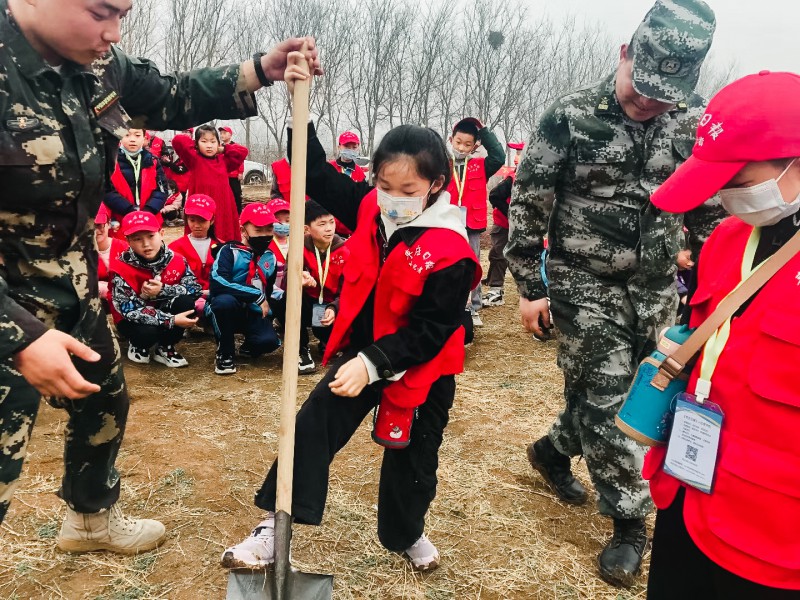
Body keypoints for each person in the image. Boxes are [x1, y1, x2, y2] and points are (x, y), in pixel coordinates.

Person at [0, 0, 320, 552]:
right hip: (10, 305)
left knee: (103, 404)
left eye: (122, 14)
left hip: (72, 289)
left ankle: (90, 522)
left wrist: (258, 70)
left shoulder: (99, 62)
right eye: (100, 12)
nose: (113, 31)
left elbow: (170, 94)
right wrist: (21, 337)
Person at [220, 55, 480, 573]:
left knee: (415, 457)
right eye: (385, 186)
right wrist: (299, 110)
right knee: (313, 424)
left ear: (436, 184)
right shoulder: (368, 206)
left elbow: (433, 330)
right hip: (361, 348)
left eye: (408, 191)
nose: (393, 199)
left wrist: (375, 363)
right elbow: (315, 173)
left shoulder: (451, 249)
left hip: (422, 363)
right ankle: (276, 523)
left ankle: (406, 532)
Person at [504, 0, 722, 587]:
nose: (649, 101)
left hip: (656, 287)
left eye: (664, 94)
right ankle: (630, 522)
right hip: (583, 281)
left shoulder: (694, 121)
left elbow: (707, 210)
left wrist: (716, 279)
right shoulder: (571, 115)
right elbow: (529, 200)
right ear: (625, 53)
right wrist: (530, 287)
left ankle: (553, 450)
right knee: (606, 397)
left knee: (639, 391)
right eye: (642, 86)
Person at [644, 71, 800, 599]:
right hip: (689, 492)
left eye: (738, 175)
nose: (725, 193)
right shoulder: (728, 239)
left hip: (774, 536)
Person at [109, 212, 200, 367]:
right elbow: (128, 310)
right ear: (128, 241)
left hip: (164, 309)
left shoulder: (177, 260)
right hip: (134, 320)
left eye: (151, 236)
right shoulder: (120, 267)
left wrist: (163, 290)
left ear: (161, 233)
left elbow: (195, 289)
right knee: (146, 333)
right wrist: (171, 320)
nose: (146, 244)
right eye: (137, 239)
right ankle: (138, 345)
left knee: (185, 303)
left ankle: (165, 346)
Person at [271, 200, 348, 374]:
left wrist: (334, 307)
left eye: (331, 222)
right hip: (307, 304)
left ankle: (327, 340)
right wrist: (298, 279)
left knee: (341, 332)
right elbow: (286, 279)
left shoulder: (346, 251)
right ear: (306, 229)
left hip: (330, 310)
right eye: (322, 224)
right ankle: (300, 349)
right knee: (286, 299)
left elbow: (348, 291)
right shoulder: (298, 247)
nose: (329, 228)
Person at [207, 203, 282, 375]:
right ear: (243, 230)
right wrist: (254, 295)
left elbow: (268, 289)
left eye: (269, 229)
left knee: (268, 342)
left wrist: (268, 313)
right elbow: (218, 281)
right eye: (258, 230)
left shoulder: (269, 257)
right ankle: (225, 351)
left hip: (254, 311)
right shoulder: (228, 251)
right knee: (224, 302)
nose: (265, 235)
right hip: (230, 307)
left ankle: (249, 345)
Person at [446, 117, 504, 327]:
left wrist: (484, 131)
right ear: (451, 140)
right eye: (458, 142)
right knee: (447, 264)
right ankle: (450, 302)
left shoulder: (481, 166)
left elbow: (499, 156)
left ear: (475, 146)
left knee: (472, 265)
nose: (462, 148)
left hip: (471, 224)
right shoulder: (443, 165)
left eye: (467, 144)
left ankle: (473, 307)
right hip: (447, 223)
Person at [172, 125, 248, 243]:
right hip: (201, 206)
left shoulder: (223, 160)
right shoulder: (194, 159)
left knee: (224, 235)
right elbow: (178, 141)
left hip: (223, 205)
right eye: (204, 141)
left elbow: (243, 151)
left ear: (218, 143)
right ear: (197, 143)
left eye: (213, 141)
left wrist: (223, 149)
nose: (209, 145)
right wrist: (195, 146)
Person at [103, 127, 168, 237]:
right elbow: (106, 191)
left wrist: (148, 211)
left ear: (144, 138)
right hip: (120, 219)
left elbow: (162, 190)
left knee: (148, 246)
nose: (132, 139)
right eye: (127, 135)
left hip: (149, 219)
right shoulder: (110, 161)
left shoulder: (153, 161)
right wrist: (129, 210)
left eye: (137, 135)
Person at [483, 141, 525, 307]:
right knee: (497, 255)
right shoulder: (512, 178)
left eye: (520, 153)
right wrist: (511, 215)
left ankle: (528, 292)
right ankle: (495, 289)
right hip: (504, 224)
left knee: (522, 257)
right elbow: (495, 196)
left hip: (521, 226)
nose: (516, 157)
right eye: (516, 153)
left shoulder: (533, 178)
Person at [168, 194, 221, 294]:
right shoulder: (174, 248)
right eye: (192, 220)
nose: (196, 225)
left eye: (202, 221)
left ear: (212, 220)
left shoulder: (222, 247)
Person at [329, 130, 367, 237]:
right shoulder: (329, 168)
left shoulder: (360, 173)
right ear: (339, 147)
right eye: (346, 146)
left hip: (351, 228)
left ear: (358, 148)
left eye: (354, 147)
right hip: (329, 225)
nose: (350, 150)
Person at [95, 205, 129, 304]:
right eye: (89, 226)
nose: (95, 230)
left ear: (109, 224)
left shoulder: (124, 248)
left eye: (99, 225)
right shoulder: (79, 253)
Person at [219, 125, 246, 213]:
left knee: (236, 194)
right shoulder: (219, 147)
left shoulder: (235, 146)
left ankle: (238, 212)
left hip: (233, 176)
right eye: (221, 133)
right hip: (223, 176)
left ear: (230, 135)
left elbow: (240, 160)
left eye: (224, 133)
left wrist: (240, 172)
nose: (222, 135)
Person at [267, 198, 291, 293]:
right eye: (278, 220)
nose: (283, 224)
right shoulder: (266, 244)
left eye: (287, 220)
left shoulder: (297, 241)